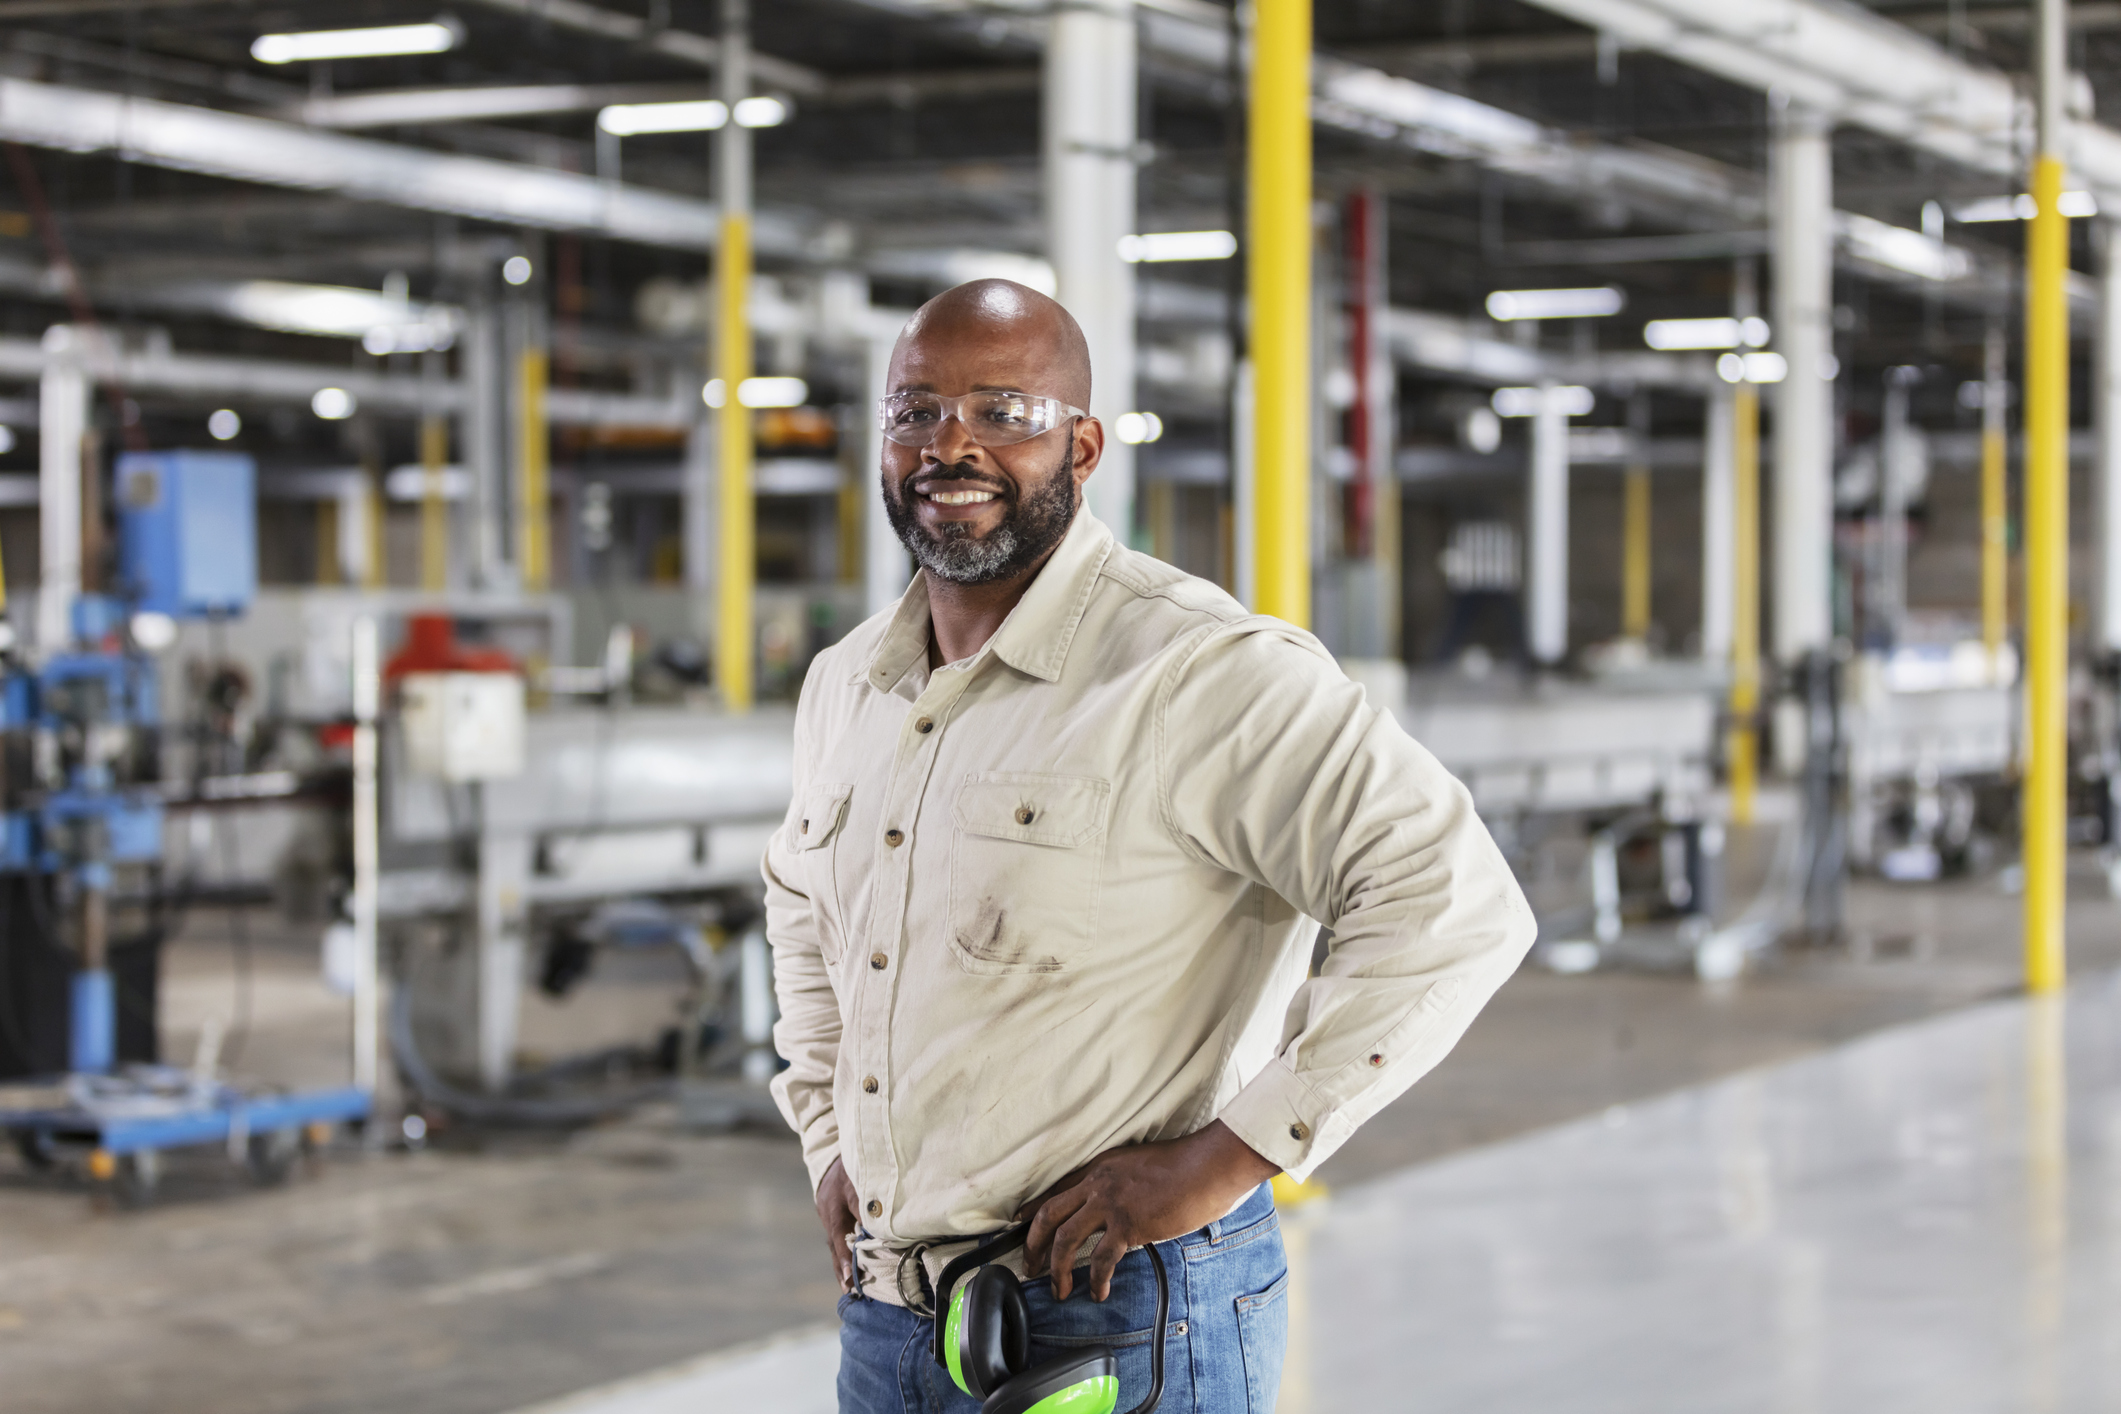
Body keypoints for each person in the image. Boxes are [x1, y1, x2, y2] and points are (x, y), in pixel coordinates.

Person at [764, 279, 1534, 1414]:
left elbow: (1453, 899)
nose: (951, 445)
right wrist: (829, 1135)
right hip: (891, 1315)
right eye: (916, 411)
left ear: (1082, 446)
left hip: (1117, 1313)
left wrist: (1226, 1158)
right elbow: (802, 907)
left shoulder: (1196, 671)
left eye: (1003, 411)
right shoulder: (850, 683)